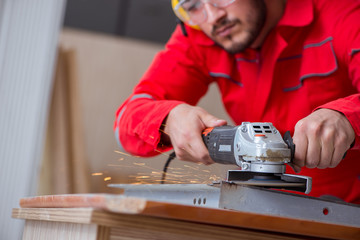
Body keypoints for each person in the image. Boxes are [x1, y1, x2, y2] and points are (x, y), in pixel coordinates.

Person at [114, 0, 360, 204]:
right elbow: (127, 120)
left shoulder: (342, 10)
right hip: (261, 211)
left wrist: (346, 118)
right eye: (192, 6)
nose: (212, 17)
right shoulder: (200, 33)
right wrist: (169, 119)